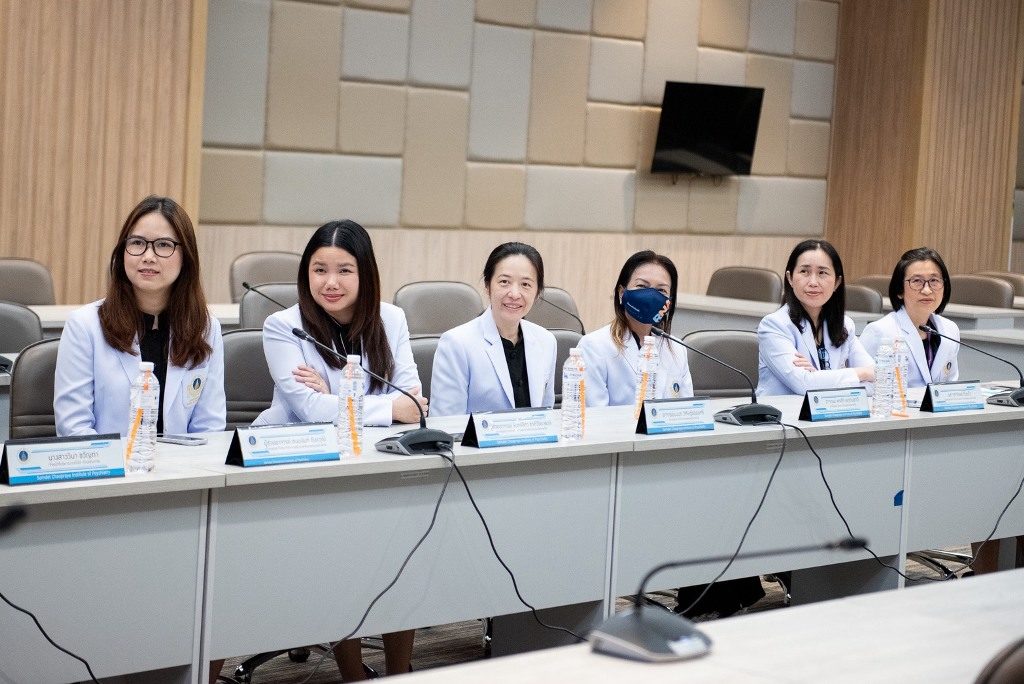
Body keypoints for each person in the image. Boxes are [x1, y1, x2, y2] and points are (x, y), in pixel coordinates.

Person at [253, 219, 421, 679]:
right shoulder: (283, 326)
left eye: (344, 270)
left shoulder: (391, 319)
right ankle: (352, 672)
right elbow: (307, 409)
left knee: (402, 556)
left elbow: (412, 401)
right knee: (344, 561)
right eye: (319, 269)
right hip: (304, 464)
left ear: (365, 273)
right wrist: (378, 405)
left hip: (378, 461)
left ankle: (400, 671)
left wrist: (338, 398)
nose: (330, 282)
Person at [54, 195, 225, 437]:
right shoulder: (84, 326)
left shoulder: (205, 328)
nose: (148, 256)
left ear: (186, 256)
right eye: (137, 243)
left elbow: (210, 429)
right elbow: (74, 428)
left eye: (163, 245)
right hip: (109, 461)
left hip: (184, 461)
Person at [431, 242, 557, 417]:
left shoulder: (546, 341)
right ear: (487, 285)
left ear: (537, 292)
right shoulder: (457, 343)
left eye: (526, 284)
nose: (515, 294)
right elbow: (446, 422)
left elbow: (547, 414)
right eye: (504, 282)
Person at [757, 239, 875, 397]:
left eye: (822, 273)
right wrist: (861, 373)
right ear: (790, 278)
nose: (813, 282)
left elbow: (878, 382)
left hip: (831, 411)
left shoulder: (845, 325)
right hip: (784, 412)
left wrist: (818, 378)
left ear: (837, 282)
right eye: (804, 272)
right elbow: (804, 385)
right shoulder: (774, 325)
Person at [577, 250, 692, 406]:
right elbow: (595, 415)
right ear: (621, 293)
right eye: (641, 286)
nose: (651, 296)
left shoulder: (677, 349)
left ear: (669, 302)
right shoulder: (594, 346)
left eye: (661, 290)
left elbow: (688, 412)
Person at [859, 247, 958, 386]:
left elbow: (951, 384)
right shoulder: (880, 331)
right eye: (917, 281)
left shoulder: (950, 330)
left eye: (934, 280)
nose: (927, 290)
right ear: (899, 290)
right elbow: (860, 386)